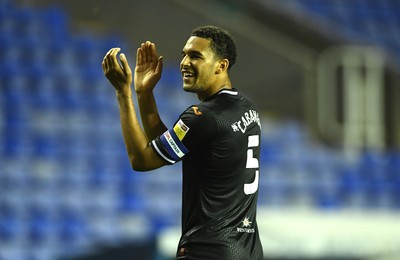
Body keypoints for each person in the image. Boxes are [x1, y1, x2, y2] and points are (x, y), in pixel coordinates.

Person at [102, 25, 263, 260]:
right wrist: (144, 94)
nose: (185, 63)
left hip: (207, 252)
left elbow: (142, 159)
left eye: (196, 56)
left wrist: (122, 93)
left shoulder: (203, 116)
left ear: (222, 65)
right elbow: (172, 147)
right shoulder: (246, 108)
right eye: (184, 54)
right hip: (245, 251)